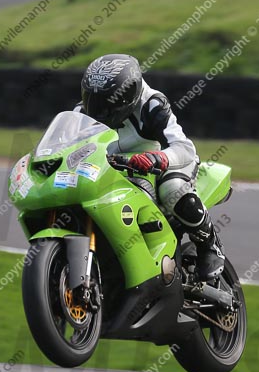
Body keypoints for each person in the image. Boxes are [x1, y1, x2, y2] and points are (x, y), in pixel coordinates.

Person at [76, 54, 225, 280]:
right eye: (93, 99)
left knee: (173, 188)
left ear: (127, 95)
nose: (99, 109)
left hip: (162, 165)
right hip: (115, 167)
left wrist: (158, 159)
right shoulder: (83, 111)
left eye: (107, 101)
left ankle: (209, 245)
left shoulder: (152, 104)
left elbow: (185, 147)